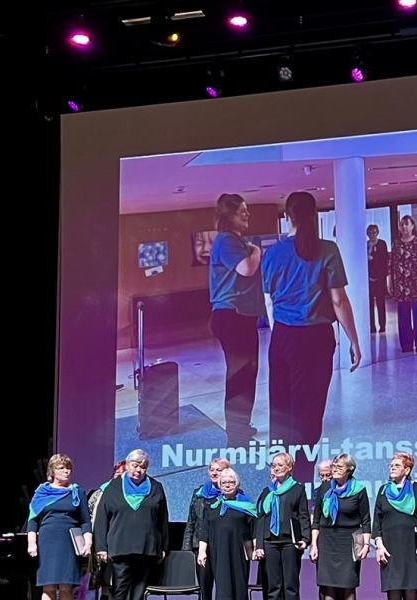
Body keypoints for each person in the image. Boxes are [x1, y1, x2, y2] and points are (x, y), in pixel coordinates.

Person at [262, 192, 362, 481]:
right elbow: (339, 300)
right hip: (316, 339)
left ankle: (280, 478)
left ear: (287, 217)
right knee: (309, 411)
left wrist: (281, 334)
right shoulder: (327, 250)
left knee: (281, 408)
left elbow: (269, 301)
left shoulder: (273, 253)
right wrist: (354, 340)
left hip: (283, 336)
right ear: (314, 216)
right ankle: (304, 480)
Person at [209, 193, 266, 446]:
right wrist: (256, 251)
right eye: (242, 211)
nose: (247, 215)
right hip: (231, 315)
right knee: (240, 376)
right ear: (229, 216)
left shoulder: (235, 240)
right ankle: (236, 435)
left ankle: (241, 427)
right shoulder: (227, 240)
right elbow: (247, 268)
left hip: (241, 316)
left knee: (247, 373)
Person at [95, 449, 169, 600]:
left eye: (143, 467)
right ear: (128, 465)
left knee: (139, 592)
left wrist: (163, 547)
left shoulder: (156, 487)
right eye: (135, 465)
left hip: (146, 547)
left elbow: (162, 519)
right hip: (121, 547)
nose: (138, 470)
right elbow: (101, 518)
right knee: (120, 590)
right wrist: (101, 547)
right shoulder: (113, 487)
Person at [28, 454, 92, 600]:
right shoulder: (41, 492)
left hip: (68, 542)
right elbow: (33, 520)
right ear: (52, 471)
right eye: (61, 468)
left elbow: (85, 521)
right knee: (48, 586)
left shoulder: (77, 492)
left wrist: (88, 542)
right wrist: (32, 544)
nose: (66, 471)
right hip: (47, 542)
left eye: (68, 468)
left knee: (66, 586)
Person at [375, 453, 417, 600]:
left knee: (411, 590)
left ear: (407, 470)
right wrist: (379, 546)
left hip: (412, 546)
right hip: (390, 548)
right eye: (391, 465)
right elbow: (377, 521)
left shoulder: (416, 488)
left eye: (397, 465)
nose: (392, 468)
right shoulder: (383, 490)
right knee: (393, 590)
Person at [313, 454, 372, 600]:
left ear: (349, 469)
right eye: (334, 466)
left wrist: (366, 545)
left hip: (349, 542)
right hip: (327, 542)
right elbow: (316, 519)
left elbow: (365, 520)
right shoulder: (325, 488)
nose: (335, 469)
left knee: (348, 587)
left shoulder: (359, 490)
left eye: (339, 466)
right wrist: (314, 545)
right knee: (328, 588)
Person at [258, 452, 312, 600]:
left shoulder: (298, 489)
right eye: (273, 465)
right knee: (273, 587)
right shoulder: (268, 491)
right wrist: (259, 545)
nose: (276, 468)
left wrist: (305, 539)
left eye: (280, 465)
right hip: (270, 542)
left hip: (290, 542)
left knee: (290, 586)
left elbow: (303, 515)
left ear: (289, 467)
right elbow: (261, 518)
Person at [198, 468, 258, 600]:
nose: (227, 485)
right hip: (218, 553)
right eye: (224, 482)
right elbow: (205, 530)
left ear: (237, 484)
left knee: (240, 587)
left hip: (239, 553)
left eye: (231, 482)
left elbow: (254, 529)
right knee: (223, 588)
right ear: (220, 485)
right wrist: (202, 551)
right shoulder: (213, 506)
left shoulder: (246, 505)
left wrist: (255, 549)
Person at [185, 459, 232, 600]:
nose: (214, 473)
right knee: (204, 588)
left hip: (223, 546)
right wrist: (187, 548)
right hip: (200, 546)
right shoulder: (198, 493)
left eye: (219, 470)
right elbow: (191, 520)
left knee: (225, 588)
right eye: (212, 469)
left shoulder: (232, 493)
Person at [390, 215, 417, 353]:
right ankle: (406, 344)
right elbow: (391, 264)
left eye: (406, 224)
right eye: (402, 225)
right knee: (403, 315)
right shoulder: (396, 243)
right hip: (401, 284)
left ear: (412, 226)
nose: (404, 227)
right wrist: (389, 281)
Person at [89, 461, 128, 598]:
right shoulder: (101, 491)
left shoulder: (132, 493)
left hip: (123, 541)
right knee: (105, 579)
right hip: (103, 540)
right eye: (117, 473)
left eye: (122, 474)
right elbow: (91, 514)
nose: (118, 476)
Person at [369, 224, 391, 333]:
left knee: (380, 302)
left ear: (377, 233)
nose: (372, 235)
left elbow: (384, 260)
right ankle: (371, 326)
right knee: (369, 304)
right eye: (370, 233)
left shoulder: (382, 244)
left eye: (374, 232)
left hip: (380, 278)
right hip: (369, 279)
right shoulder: (366, 245)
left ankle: (382, 325)